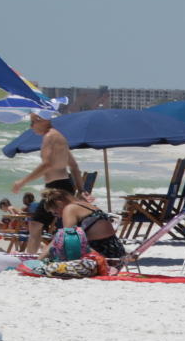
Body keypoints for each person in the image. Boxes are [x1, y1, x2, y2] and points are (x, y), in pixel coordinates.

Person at [12, 111, 85, 256]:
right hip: (64, 185)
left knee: (36, 225)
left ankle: (31, 258)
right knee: (61, 225)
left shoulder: (49, 137)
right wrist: (81, 190)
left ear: (42, 120)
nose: (31, 126)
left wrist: (22, 182)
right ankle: (40, 256)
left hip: (56, 188)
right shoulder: (59, 136)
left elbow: (47, 164)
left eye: (33, 122)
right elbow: (74, 166)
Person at [42, 187, 126, 261]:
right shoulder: (84, 205)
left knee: (64, 241)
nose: (58, 217)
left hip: (105, 258)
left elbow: (65, 238)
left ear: (60, 203)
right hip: (117, 254)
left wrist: (40, 259)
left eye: (55, 213)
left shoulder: (70, 208)